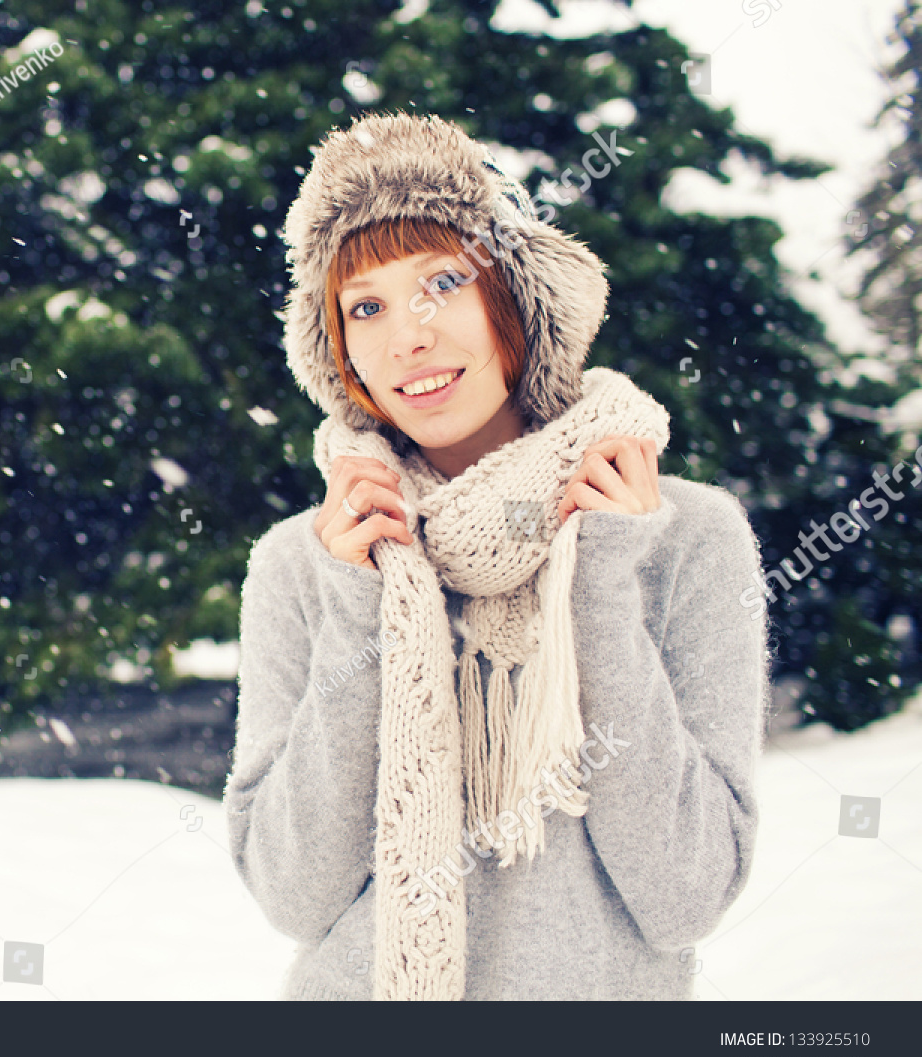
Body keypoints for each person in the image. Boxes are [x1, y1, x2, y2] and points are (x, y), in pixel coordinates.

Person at [225, 112, 770, 1000]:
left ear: (513, 302)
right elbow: (294, 893)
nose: (409, 335)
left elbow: (686, 894)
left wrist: (599, 579)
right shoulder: (306, 562)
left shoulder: (683, 537)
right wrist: (358, 603)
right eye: (366, 305)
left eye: (443, 280)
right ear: (342, 356)